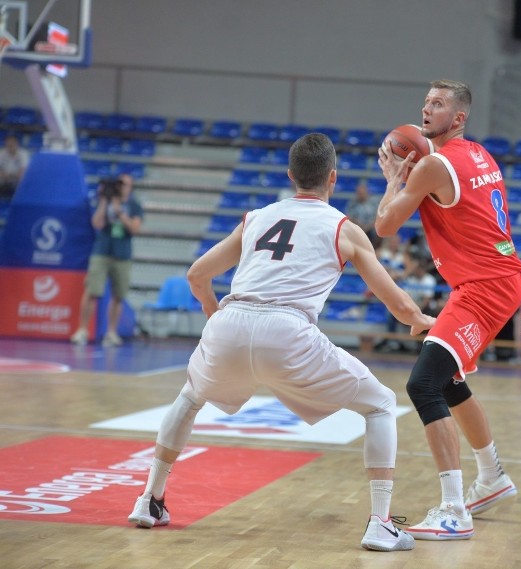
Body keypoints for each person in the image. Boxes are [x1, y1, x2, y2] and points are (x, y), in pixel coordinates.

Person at [127, 133, 435, 552]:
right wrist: (423, 321)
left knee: (190, 396)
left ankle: (150, 500)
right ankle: (380, 523)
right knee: (380, 403)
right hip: (289, 330)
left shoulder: (256, 217)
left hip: (232, 320)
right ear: (333, 178)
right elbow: (399, 305)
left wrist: (214, 314)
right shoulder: (344, 228)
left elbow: (197, 275)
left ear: (291, 176)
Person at [374, 79, 521, 540]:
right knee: (449, 379)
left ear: (457, 118)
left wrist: (393, 181)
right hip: (501, 277)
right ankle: (492, 476)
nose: (426, 110)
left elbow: (384, 226)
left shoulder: (433, 166)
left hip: (483, 286)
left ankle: (454, 509)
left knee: (422, 384)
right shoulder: (480, 154)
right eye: (425, 103)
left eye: (437, 104)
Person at [70, 174, 144, 347]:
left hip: (122, 253)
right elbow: (96, 223)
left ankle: (111, 332)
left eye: (125, 185)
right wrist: (104, 202)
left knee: (119, 295)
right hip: (102, 251)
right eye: (119, 184)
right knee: (92, 291)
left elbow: (135, 228)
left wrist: (119, 212)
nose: (122, 187)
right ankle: (82, 330)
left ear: (130, 187)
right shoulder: (105, 201)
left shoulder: (133, 205)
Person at [345, 180, 380, 247]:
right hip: (357, 229)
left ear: (367, 192)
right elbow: (348, 217)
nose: (360, 194)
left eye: (362, 192)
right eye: (359, 193)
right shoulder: (352, 203)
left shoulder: (374, 203)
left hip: (371, 230)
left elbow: (378, 218)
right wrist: (359, 226)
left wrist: (367, 227)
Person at [0, 133, 30, 198]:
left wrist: (10, 175)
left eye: (12, 142)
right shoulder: (1, 154)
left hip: (17, 182)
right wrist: (6, 176)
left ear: (17, 143)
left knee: (23, 181)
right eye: (8, 142)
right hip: (4, 180)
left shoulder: (23, 154)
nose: (10, 144)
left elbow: (22, 173)